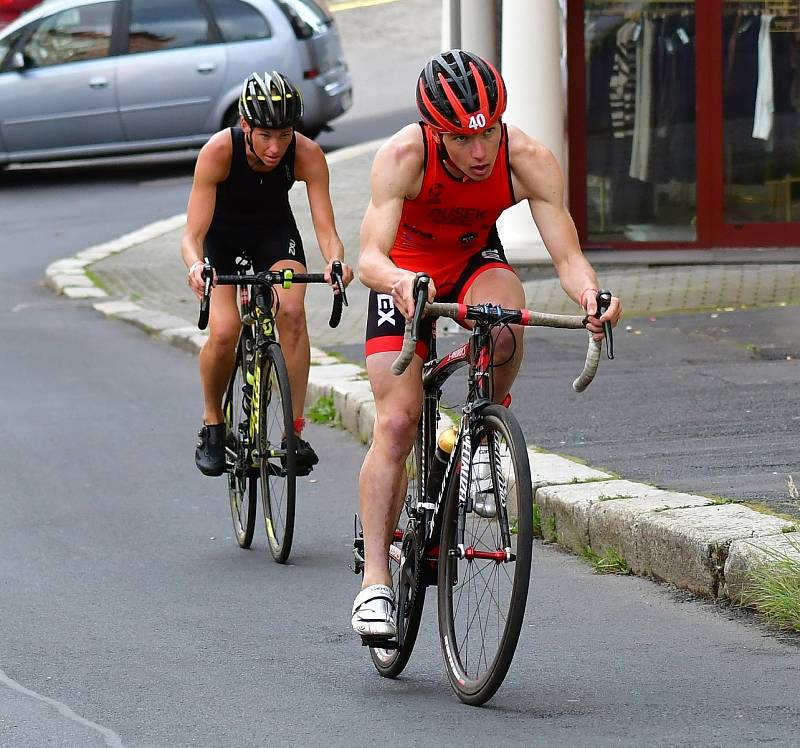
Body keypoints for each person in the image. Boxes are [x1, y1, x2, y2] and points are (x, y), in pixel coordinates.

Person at [351, 50, 622, 638]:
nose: (480, 153)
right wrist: (398, 280)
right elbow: (368, 255)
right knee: (396, 425)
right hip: (403, 278)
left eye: (489, 133)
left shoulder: (526, 158)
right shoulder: (403, 155)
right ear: (433, 131)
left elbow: (569, 256)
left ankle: (478, 434)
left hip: (473, 261)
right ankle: (375, 581)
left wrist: (591, 297)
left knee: (505, 322)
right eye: (461, 140)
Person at [182, 71, 352, 477]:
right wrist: (196, 266)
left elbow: (327, 231)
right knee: (224, 331)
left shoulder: (307, 154)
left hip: (273, 236)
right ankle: (212, 424)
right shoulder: (218, 152)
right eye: (265, 136)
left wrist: (335, 262)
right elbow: (192, 234)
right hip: (221, 242)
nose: (276, 147)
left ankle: (293, 433)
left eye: (285, 134)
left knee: (291, 313)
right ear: (246, 126)